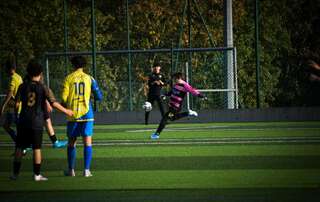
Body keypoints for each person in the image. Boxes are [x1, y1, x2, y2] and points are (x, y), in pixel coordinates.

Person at [11, 60, 73, 181]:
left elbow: (17, 104)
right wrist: (66, 111)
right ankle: (37, 175)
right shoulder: (43, 87)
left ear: (28, 73)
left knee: (19, 147)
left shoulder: (22, 86)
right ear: (40, 73)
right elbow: (53, 103)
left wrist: (16, 116)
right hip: (37, 121)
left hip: (23, 121)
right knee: (37, 148)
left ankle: (15, 174)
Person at [62, 56, 102, 177]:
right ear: (84, 65)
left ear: (73, 65)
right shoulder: (90, 78)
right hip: (87, 114)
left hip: (72, 114)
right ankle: (86, 170)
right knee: (87, 142)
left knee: (71, 142)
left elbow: (64, 98)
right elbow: (99, 96)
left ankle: (71, 170)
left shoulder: (68, 78)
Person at [151, 72, 207, 139]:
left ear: (178, 78)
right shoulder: (176, 85)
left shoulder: (185, 85)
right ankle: (188, 113)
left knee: (165, 118)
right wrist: (165, 95)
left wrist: (202, 96)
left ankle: (157, 134)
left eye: (174, 79)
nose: (173, 80)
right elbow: (172, 92)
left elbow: (193, 91)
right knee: (173, 118)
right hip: (171, 106)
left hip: (176, 107)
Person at [23, 75, 68, 148]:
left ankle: (54, 142)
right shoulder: (40, 86)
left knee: (46, 121)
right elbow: (49, 99)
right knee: (43, 123)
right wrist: (66, 111)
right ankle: (29, 144)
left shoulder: (24, 85)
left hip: (29, 109)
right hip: (39, 107)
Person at [0, 59, 23, 144]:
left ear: (10, 69)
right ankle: (20, 144)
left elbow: (10, 94)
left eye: (6, 68)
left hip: (15, 107)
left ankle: (21, 146)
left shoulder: (13, 78)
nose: (5, 70)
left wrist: (3, 106)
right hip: (18, 105)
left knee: (10, 126)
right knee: (8, 126)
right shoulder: (19, 76)